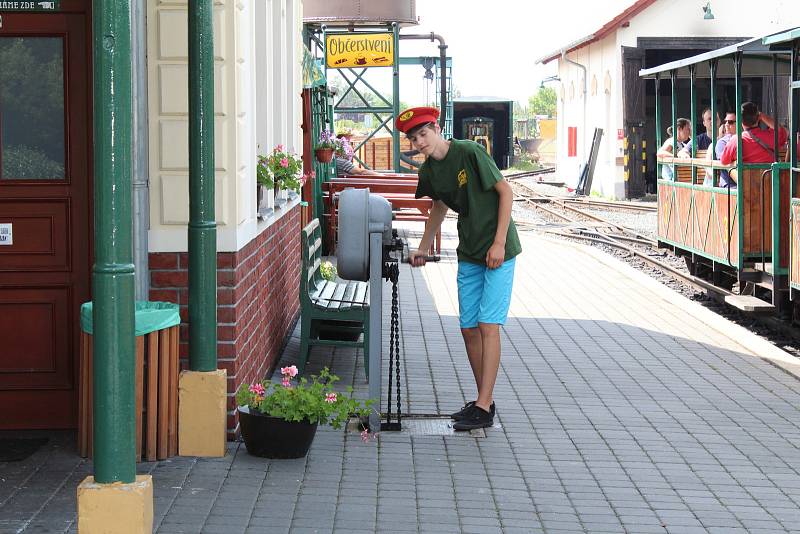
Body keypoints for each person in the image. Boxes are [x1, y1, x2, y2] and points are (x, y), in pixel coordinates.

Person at [397, 106, 522, 431]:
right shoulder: (428, 173)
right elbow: (438, 208)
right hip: (468, 249)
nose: (420, 142)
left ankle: (483, 405)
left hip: (498, 249)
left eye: (423, 134)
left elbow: (505, 192)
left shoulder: (469, 152)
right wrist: (423, 248)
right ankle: (484, 401)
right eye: (413, 138)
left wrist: (498, 243)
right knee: (468, 328)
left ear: (437, 128)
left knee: (487, 325)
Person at [720, 102, 788, 165]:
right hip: (769, 177)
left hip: (747, 178)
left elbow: (724, 161)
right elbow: (781, 130)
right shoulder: (771, 136)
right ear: (758, 118)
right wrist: (761, 115)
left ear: (740, 120)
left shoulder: (736, 140)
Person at [712, 111, 737, 188]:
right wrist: (741, 183)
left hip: (745, 183)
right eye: (725, 121)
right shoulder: (722, 142)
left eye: (730, 122)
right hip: (729, 184)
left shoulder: (746, 139)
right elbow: (726, 163)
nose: (726, 124)